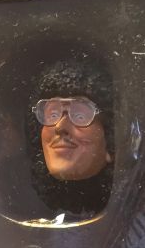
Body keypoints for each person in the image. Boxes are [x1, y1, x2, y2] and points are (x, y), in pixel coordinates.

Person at [26, 56, 115, 218]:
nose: (60, 127)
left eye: (80, 116)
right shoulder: (21, 205)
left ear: (110, 138)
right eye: (53, 115)